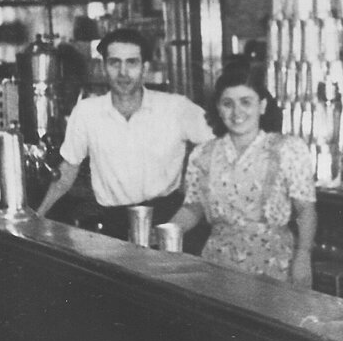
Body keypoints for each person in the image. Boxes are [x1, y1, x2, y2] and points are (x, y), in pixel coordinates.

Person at [36, 29, 213, 237]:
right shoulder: (87, 112)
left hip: (168, 219)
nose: (123, 72)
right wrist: (38, 214)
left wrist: (192, 184)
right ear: (104, 67)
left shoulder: (175, 108)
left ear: (145, 68)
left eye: (132, 62)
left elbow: (218, 144)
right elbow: (67, 170)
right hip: (115, 226)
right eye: (114, 62)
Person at [169, 62, 317, 286]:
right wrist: (164, 233)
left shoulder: (288, 149)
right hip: (217, 265)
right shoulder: (203, 154)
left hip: (275, 266)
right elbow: (193, 207)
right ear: (218, 108)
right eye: (228, 104)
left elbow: (305, 210)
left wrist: (303, 256)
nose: (237, 112)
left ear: (262, 105)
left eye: (246, 102)